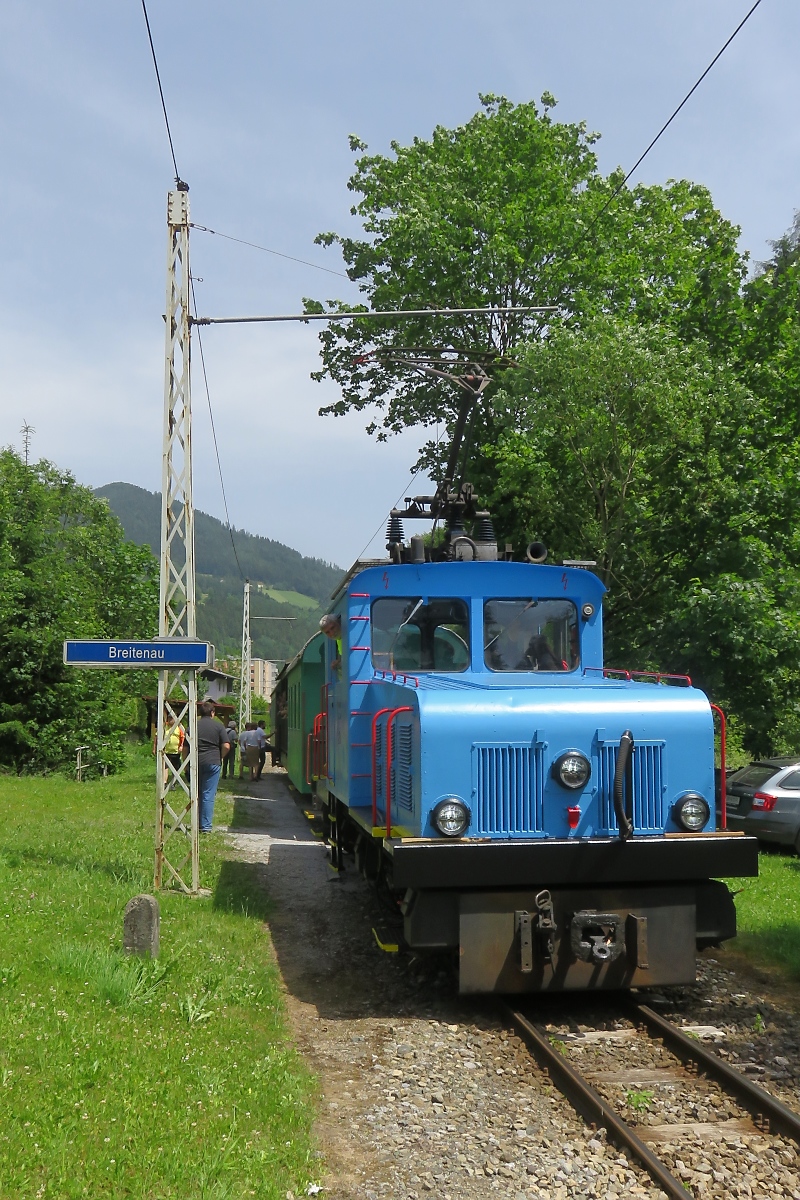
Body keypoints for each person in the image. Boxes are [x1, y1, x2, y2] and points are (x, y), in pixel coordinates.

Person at [194, 701, 230, 832]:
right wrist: (220, 757)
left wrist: (186, 764)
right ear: (212, 713)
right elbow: (226, 745)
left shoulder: (193, 726)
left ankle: (196, 822)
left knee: (197, 793)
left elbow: (185, 747)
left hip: (196, 762)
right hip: (213, 762)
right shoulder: (219, 726)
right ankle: (206, 826)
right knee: (208, 794)